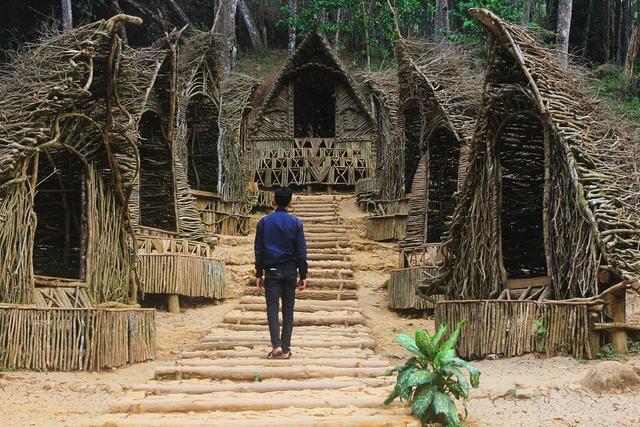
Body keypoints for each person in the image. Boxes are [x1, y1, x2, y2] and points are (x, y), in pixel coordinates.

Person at [254, 187, 308, 359]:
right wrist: (303, 275)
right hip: (290, 271)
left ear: (274, 202)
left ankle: (276, 346)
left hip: (272, 271)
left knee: (272, 308)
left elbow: (259, 251)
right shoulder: (296, 223)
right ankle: (285, 349)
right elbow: (301, 252)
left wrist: (259, 273)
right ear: (290, 203)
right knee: (288, 310)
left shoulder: (263, 222)